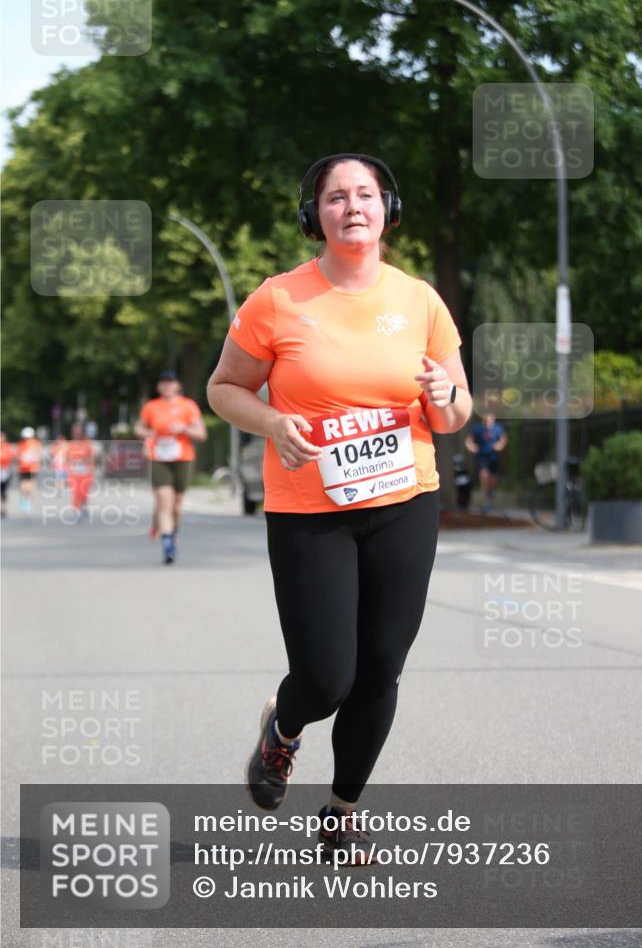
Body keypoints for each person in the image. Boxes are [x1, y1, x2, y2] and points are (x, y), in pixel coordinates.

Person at [207, 153, 472, 864]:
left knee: (380, 667)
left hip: (405, 503)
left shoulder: (420, 301)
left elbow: (455, 412)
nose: (353, 206)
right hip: (308, 511)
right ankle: (283, 730)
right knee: (326, 678)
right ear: (314, 216)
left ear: (388, 210)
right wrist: (272, 422)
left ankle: (341, 814)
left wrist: (447, 399)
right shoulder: (277, 300)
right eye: (335, 197)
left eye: (366, 195)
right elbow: (224, 388)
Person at [134, 371, 207, 564]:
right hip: (158, 458)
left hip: (182, 457)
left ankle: (171, 534)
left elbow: (201, 433)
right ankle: (167, 546)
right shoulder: (151, 406)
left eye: (170, 383)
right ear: (159, 387)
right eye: (163, 383)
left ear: (177, 386)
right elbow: (138, 428)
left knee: (177, 504)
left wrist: (184, 429)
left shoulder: (188, 406)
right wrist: (148, 433)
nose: (167, 386)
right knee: (165, 500)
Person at [464, 411, 508, 512]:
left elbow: (503, 439)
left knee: (493, 479)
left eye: (489, 419)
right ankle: (486, 500)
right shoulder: (477, 428)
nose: (487, 421)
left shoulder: (498, 428)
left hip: (493, 457)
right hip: (482, 457)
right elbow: (469, 441)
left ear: (493, 419)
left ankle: (490, 493)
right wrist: (472, 447)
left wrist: (499, 446)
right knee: (484, 475)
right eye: (486, 419)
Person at [66, 425, 96, 521]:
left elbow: (91, 459)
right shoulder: (70, 445)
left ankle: (83, 506)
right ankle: (77, 510)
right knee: (76, 492)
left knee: (83, 492)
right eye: (75, 432)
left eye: (79, 432)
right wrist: (68, 470)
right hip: (74, 473)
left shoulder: (87, 444)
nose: (77, 434)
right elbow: (68, 459)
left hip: (85, 472)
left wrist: (91, 470)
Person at [16, 427, 43, 514]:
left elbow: (18, 456)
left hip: (26, 467)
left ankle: (26, 500)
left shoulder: (22, 444)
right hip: (30, 467)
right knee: (29, 484)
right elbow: (39, 455)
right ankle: (28, 500)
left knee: (25, 484)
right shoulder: (35, 443)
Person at [0, 432, 16, 518]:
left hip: (5, 470)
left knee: (3, 491)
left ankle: (3, 508)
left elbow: (12, 458)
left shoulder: (7, 447)